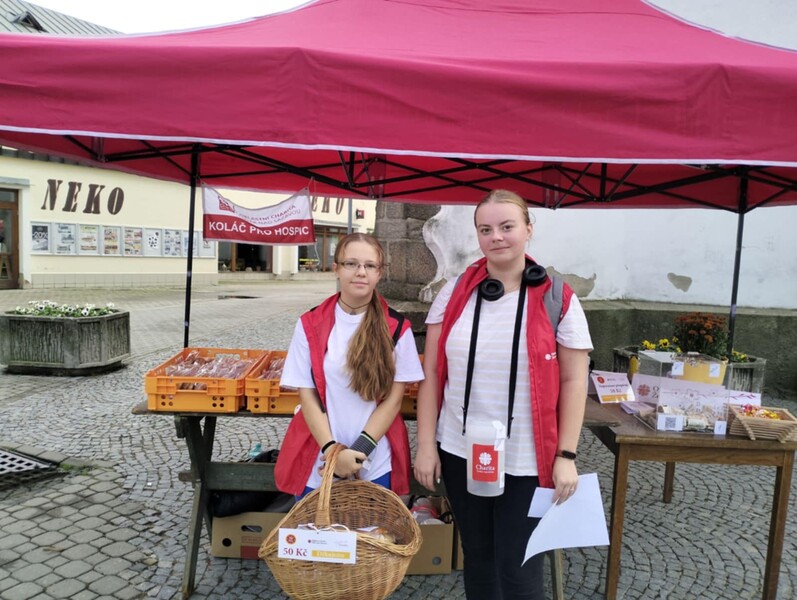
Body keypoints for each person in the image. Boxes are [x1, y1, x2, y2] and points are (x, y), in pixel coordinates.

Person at [413, 190, 593, 600]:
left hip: (527, 458)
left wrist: (566, 456)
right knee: (478, 557)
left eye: (507, 226)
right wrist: (426, 446)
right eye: (486, 229)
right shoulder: (454, 292)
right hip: (460, 451)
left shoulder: (558, 298)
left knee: (519, 566)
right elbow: (432, 373)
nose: (496, 236)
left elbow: (573, 382)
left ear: (528, 229)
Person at [275, 233, 424, 499]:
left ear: (379, 273)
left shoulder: (397, 328)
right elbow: (308, 396)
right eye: (351, 263)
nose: (360, 272)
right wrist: (333, 453)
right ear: (336, 268)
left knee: (370, 527)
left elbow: (392, 401)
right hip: (319, 458)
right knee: (316, 527)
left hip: (373, 460)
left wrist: (357, 452)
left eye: (369, 265)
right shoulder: (310, 323)